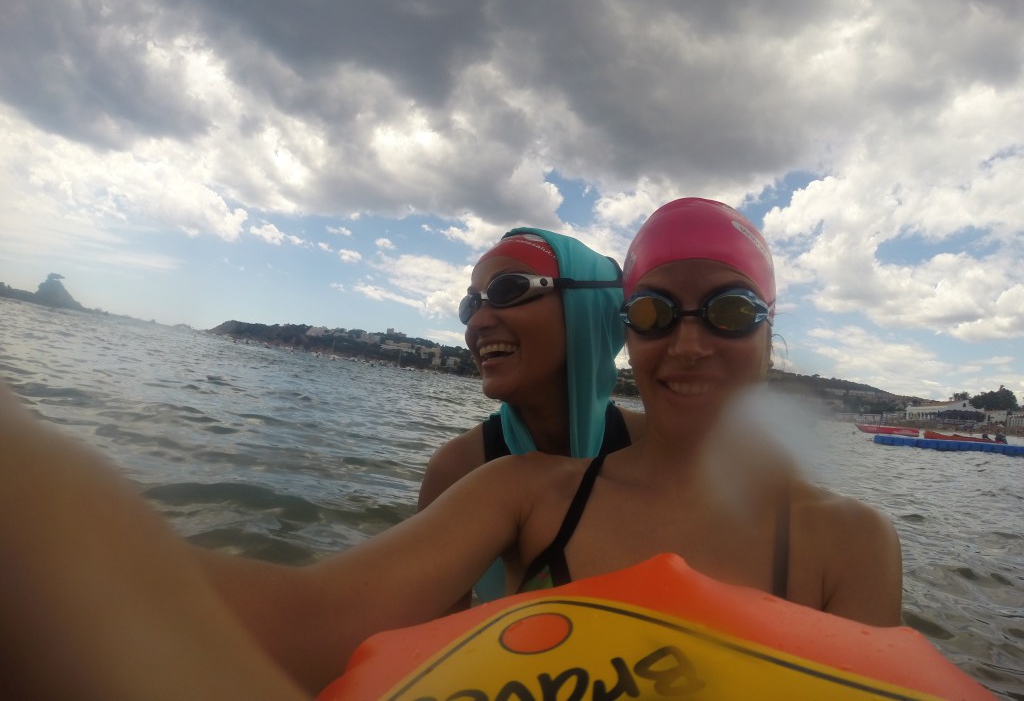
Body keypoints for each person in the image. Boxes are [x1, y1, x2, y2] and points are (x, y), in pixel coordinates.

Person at [1, 198, 903, 698]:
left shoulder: (849, 543)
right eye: (655, 312)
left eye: (732, 311)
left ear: (772, 331)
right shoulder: (521, 491)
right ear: (626, 332)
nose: (690, 342)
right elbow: (313, 620)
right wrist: (44, 506)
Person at [418, 228, 645, 604]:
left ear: (586, 309)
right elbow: (432, 634)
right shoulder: (458, 468)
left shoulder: (656, 451)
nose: (476, 324)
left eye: (508, 289)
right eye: (471, 304)